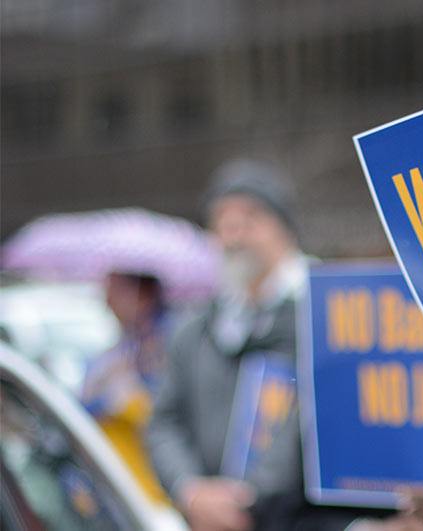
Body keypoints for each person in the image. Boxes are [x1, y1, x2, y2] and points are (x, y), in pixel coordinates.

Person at [146, 159, 309, 531]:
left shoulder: (320, 318)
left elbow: (316, 420)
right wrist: (190, 491)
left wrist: (250, 499)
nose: (234, 235)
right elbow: (164, 421)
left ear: (286, 230)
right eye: (222, 222)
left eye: (250, 219)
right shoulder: (195, 331)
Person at [81, 272, 171, 504]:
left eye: (114, 291)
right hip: (126, 478)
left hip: (156, 482)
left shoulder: (169, 340)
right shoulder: (125, 345)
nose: (107, 302)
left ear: (142, 293)